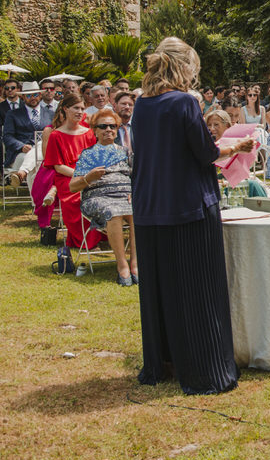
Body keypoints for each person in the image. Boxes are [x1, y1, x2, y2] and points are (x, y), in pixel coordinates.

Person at [132, 36, 254, 395]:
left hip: (150, 205)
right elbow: (204, 152)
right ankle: (205, 369)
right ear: (184, 67)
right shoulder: (184, 102)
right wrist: (237, 146)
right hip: (187, 205)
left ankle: (162, 363)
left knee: (161, 289)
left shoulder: (142, 104)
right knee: (197, 288)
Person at [69, 108, 136, 285]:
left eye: (112, 126)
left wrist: (134, 192)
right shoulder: (88, 155)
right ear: (95, 130)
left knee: (139, 210)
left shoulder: (125, 152)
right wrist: (88, 178)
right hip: (97, 198)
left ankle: (135, 264)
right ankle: (122, 266)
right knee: (113, 211)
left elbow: (137, 178)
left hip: (125, 196)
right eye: (103, 126)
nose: (108, 130)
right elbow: (72, 187)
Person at [42, 93, 101, 273]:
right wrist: (82, 177)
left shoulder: (89, 133)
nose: (80, 112)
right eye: (76, 108)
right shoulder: (56, 135)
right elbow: (58, 166)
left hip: (90, 175)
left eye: (82, 108)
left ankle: (99, 237)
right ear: (65, 109)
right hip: (67, 178)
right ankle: (82, 240)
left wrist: (90, 176)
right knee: (76, 201)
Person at [206, 109, 268, 199]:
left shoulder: (237, 142)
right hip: (214, 184)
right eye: (209, 125)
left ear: (227, 126)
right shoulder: (206, 145)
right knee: (253, 185)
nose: (211, 128)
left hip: (235, 181)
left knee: (254, 185)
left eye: (216, 125)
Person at [2, 81, 49, 186]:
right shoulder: (13, 114)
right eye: (28, 95)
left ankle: (22, 172)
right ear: (23, 97)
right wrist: (21, 146)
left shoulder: (51, 114)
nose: (33, 98)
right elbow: (7, 136)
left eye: (35, 95)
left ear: (40, 96)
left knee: (39, 157)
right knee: (36, 162)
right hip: (22, 153)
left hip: (45, 151)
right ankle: (38, 201)